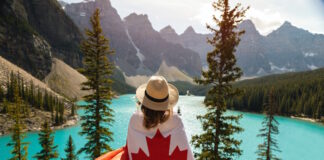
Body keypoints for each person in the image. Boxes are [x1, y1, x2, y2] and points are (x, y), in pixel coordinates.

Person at [96, 76, 194, 160]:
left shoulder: (135, 120)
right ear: (166, 103)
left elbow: (130, 151)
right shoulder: (176, 121)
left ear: (145, 101)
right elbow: (186, 155)